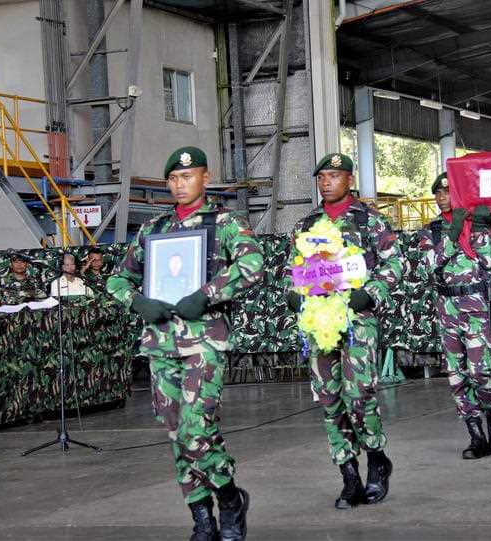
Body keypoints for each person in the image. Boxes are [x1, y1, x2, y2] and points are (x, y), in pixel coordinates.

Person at [108, 146, 263, 541]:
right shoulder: (152, 230)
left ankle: (229, 498)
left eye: (188, 176)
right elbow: (116, 280)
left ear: (205, 178)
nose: (181, 184)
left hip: (202, 343)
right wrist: (138, 302)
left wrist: (207, 293)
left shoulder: (224, 223)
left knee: (196, 429)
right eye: (174, 179)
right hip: (161, 346)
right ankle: (202, 517)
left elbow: (252, 266)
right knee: (177, 433)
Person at [285, 153, 399, 510]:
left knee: (360, 395)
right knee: (329, 398)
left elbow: (395, 262)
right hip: (318, 321)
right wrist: (292, 291)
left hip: (356, 320)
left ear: (349, 180)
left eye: (334, 176)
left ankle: (377, 458)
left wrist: (372, 292)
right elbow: (293, 268)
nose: (326, 182)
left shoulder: (370, 221)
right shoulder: (306, 225)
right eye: (322, 176)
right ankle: (349, 474)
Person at [418, 173, 491, 460]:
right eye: (438, 193)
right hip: (448, 307)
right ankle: (475, 434)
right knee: (457, 376)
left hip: (476, 306)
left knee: (481, 371)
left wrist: (477, 228)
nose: (443, 197)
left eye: (448, 191)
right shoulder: (430, 231)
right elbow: (427, 267)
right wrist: (452, 236)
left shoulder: (478, 226)